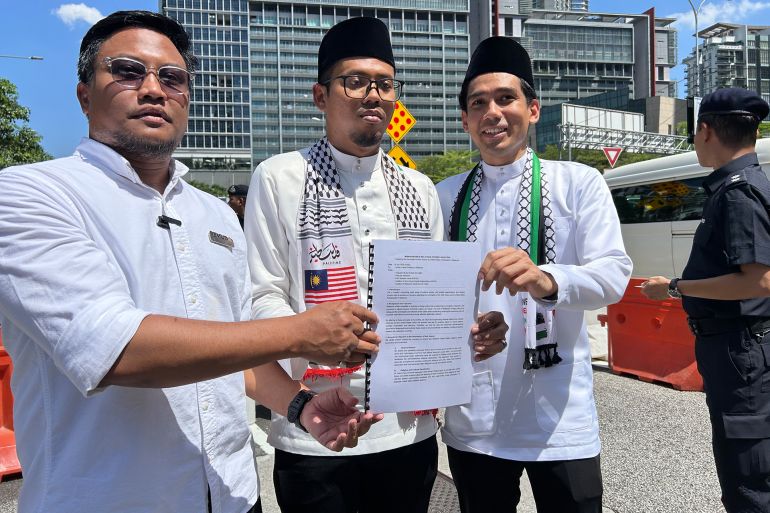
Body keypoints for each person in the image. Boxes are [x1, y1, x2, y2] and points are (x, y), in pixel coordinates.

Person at [0, 11, 384, 513]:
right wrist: (300, 332)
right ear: (84, 95)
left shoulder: (214, 214)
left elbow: (238, 345)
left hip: (232, 494)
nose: (153, 89)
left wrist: (300, 405)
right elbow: (113, 349)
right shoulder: (31, 194)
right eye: (127, 71)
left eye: (172, 78)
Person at [244, 17, 507, 513]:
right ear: (320, 96)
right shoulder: (279, 177)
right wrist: (309, 335)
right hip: (312, 430)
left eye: (385, 84)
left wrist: (468, 330)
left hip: (407, 429)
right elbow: (261, 293)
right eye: (355, 81)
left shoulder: (418, 188)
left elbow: (432, 297)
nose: (373, 95)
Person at [435, 37, 633, 513]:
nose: (492, 113)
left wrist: (546, 279)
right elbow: (430, 293)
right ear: (465, 119)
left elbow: (614, 274)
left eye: (506, 98)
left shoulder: (578, 182)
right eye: (478, 103)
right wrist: (460, 329)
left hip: (560, 416)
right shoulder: (442, 195)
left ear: (533, 109)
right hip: (475, 415)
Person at [641, 87, 770, 512]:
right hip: (739, 346)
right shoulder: (746, 185)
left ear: (706, 131)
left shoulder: (738, 192)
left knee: (748, 480)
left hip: (740, 349)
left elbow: (760, 281)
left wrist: (676, 287)